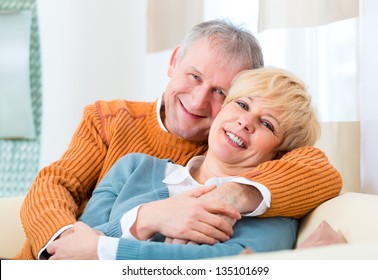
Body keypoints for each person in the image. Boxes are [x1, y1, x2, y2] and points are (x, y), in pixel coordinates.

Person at [15, 19, 341, 260]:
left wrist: (227, 195)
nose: (199, 101)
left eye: (220, 92)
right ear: (173, 62)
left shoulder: (232, 152)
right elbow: (52, 186)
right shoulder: (113, 125)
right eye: (194, 76)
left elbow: (317, 168)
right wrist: (71, 246)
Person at [48, 67, 321, 260]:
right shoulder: (133, 168)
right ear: (221, 110)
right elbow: (76, 245)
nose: (245, 122)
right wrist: (146, 219)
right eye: (242, 105)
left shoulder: (273, 213)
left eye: (266, 124)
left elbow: (223, 264)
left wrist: (105, 251)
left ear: (279, 153)